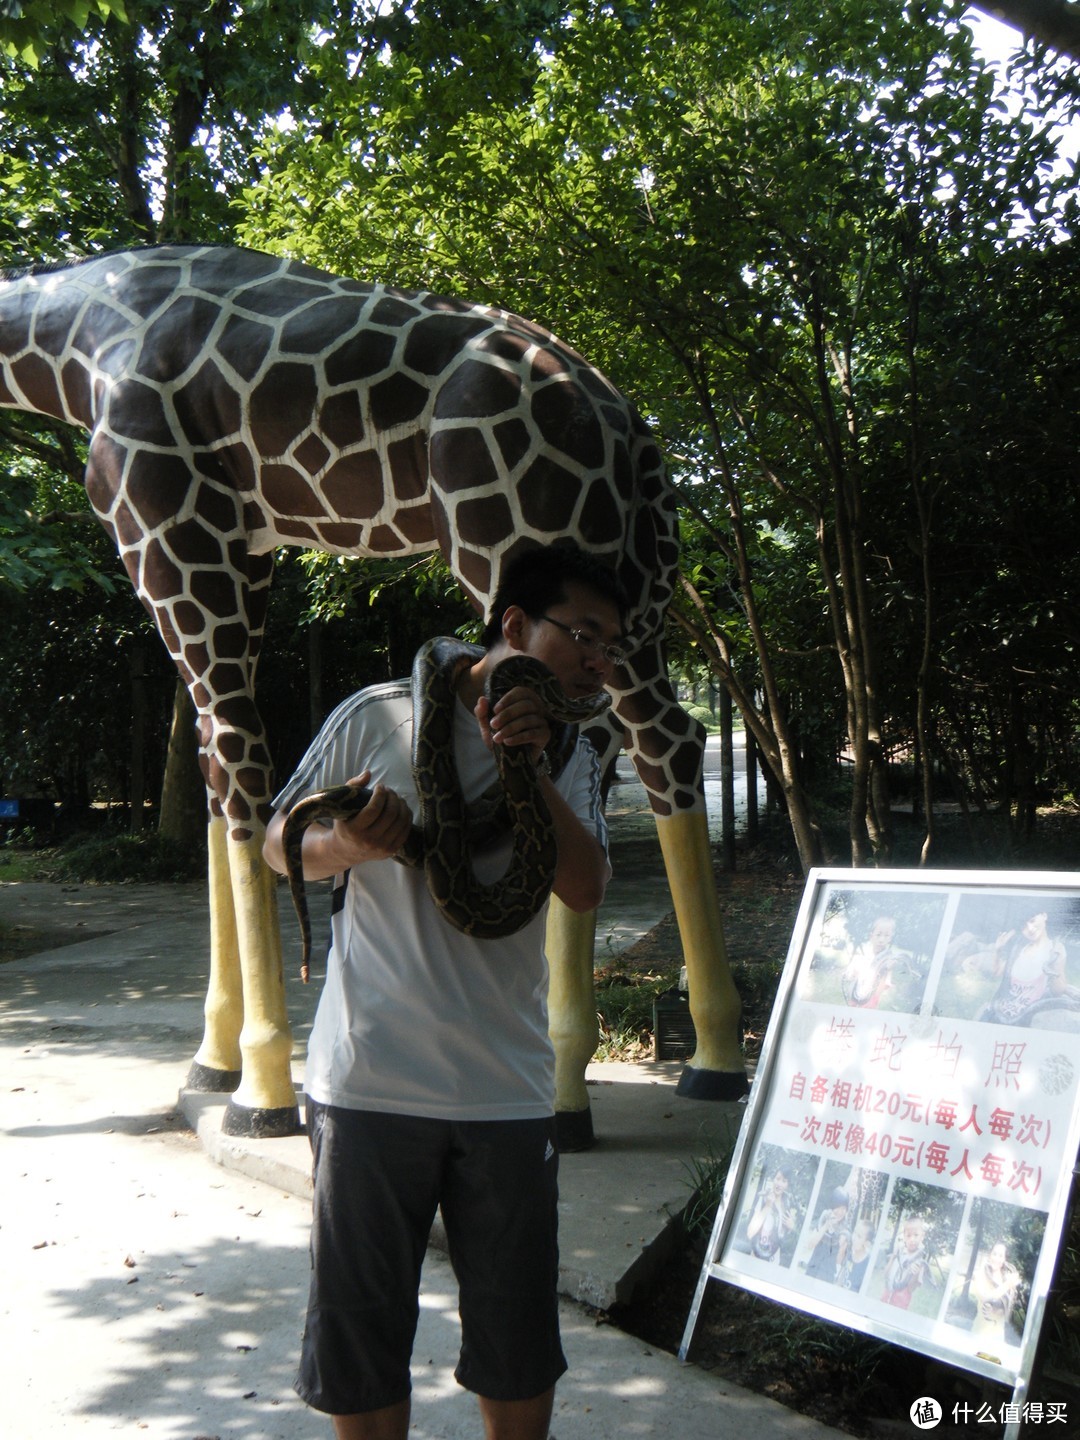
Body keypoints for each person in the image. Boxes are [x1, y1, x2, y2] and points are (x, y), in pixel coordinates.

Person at [263, 542, 628, 1440]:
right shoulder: (378, 714)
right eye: (582, 634)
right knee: (362, 1332)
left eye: (609, 646)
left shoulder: (578, 741)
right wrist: (348, 846)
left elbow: (582, 887)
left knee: (515, 1336)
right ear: (513, 626)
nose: (595, 658)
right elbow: (278, 843)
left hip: (503, 1089)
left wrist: (532, 765)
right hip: (370, 1082)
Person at [978, 911, 1071, 1026]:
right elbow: (997, 972)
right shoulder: (1018, 949)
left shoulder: (1055, 949)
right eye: (1024, 926)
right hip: (999, 1010)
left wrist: (1052, 967)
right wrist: (998, 950)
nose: (1030, 929)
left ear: (1044, 916)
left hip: (1027, 1016)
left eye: (1032, 920)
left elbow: (1058, 991)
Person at [841, 916, 907, 1009]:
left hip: (871, 998)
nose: (882, 939)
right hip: (857, 993)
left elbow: (886, 983)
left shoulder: (888, 959)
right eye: (878, 935)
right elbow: (853, 975)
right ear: (871, 936)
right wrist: (852, 972)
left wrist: (887, 970)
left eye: (886, 936)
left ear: (890, 938)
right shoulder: (863, 955)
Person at [967, 1241, 1020, 1343]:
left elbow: (1007, 1312)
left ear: (1004, 1259)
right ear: (989, 1255)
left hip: (998, 1335)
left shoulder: (1006, 1277)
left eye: (1000, 1256)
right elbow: (985, 1297)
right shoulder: (980, 1274)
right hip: (980, 1332)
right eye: (994, 1254)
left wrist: (1011, 1287)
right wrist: (1008, 1284)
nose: (996, 1258)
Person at [745, 1164, 797, 1264]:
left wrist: (791, 1227)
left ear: (787, 1185)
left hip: (774, 1259)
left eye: (784, 1181)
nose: (779, 1184)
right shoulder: (764, 1198)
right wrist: (768, 1206)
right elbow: (750, 1232)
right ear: (773, 1179)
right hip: (757, 1255)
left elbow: (785, 1237)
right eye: (777, 1179)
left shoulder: (787, 1204)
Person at [804, 1188, 851, 1285]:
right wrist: (826, 1226)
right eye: (838, 1207)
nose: (840, 1212)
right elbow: (810, 1245)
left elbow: (838, 1261)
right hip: (813, 1268)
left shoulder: (845, 1228)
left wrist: (842, 1246)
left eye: (843, 1208)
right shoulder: (824, 1217)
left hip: (827, 1275)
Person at [881, 1216, 928, 1309]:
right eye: (908, 1235)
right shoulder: (899, 1253)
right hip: (886, 1297)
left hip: (900, 1303)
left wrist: (916, 1273)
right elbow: (885, 1275)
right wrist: (893, 1257)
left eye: (916, 1235)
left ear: (922, 1236)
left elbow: (910, 1289)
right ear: (904, 1236)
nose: (912, 1239)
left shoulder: (919, 1262)